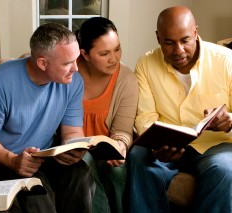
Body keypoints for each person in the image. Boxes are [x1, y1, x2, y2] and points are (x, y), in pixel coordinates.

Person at [0, 23, 95, 213]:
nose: (76, 69)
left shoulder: (73, 82)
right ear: (42, 63)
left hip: (44, 157)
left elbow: (71, 131)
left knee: (79, 173)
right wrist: (13, 160)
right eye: (67, 63)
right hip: (4, 161)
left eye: (76, 60)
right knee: (37, 187)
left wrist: (73, 147)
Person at [128, 6, 232, 213]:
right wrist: (158, 142)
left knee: (226, 170)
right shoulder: (145, 64)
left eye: (185, 40)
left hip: (215, 145)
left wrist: (230, 119)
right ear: (158, 38)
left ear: (195, 33)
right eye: (169, 42)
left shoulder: (226, 60)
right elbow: (145, 116)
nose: (178, 51)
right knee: (138, 156)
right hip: (167, 145)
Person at [76, 17, 138, 213]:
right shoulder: (66, 69)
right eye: (104, 53)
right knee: (83, 164)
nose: (114, 59)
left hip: (106, 149)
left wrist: (119, 144)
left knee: (117, 170)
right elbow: (33, 61)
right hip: (73, 147)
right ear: (84, 54)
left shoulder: (126, 79)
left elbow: (122, 130)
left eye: (117, 49)